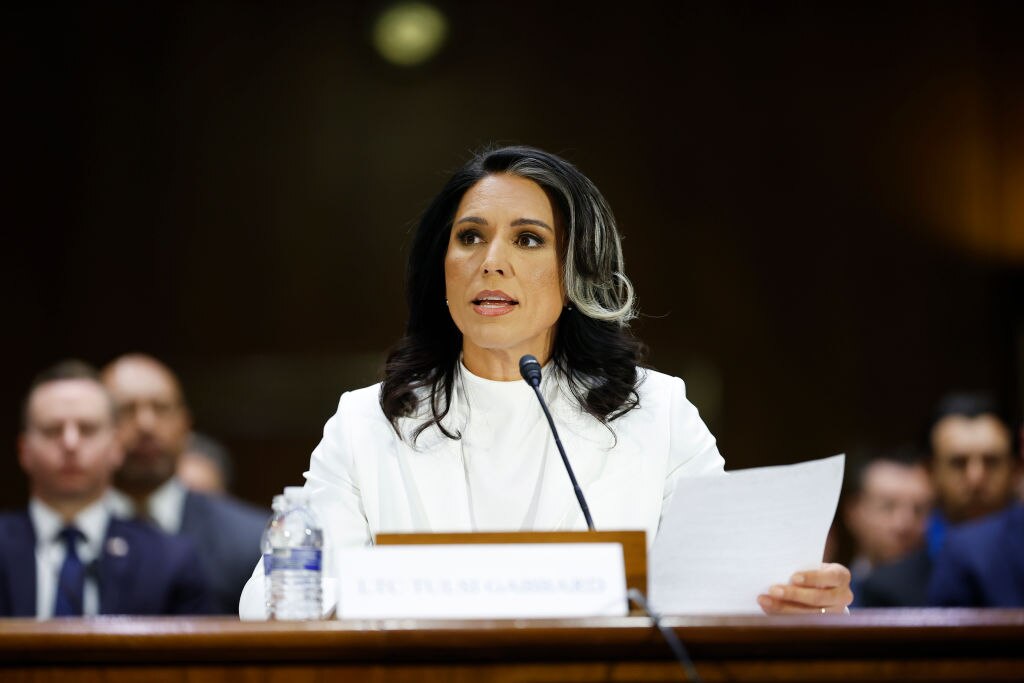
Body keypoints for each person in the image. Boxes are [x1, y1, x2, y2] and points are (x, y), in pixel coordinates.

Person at [238, 145, 853, 618]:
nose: (491, 261)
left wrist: (798, 597)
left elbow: (721, 584)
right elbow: (275, 593)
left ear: (575, 270)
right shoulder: (367, 422)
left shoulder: (657, 413)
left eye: (528, 239)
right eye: (470, 237)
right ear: (442, 268)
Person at [0, 360, 214, 616]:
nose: (70, 443)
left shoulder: (169, 560)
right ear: (24, 450)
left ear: (115, 448)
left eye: (87, 429)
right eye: (52, 430)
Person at [101, 354, 269, 614]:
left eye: (161, 408)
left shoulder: (251, 540)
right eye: (125, 410)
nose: (146, 424)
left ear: (185, 425)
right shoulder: (70, 536)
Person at [858, 392, 1018, 606]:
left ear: (1015, 469)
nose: (976, 478)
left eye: (992, 462)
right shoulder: (888, 588)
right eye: (958, 463)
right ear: (929, 472)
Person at [841, 447, 933, 605]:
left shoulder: (948, 593)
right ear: (853, 512)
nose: (904, 524)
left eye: (918, 510)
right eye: (887, 506)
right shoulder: (825, 593)